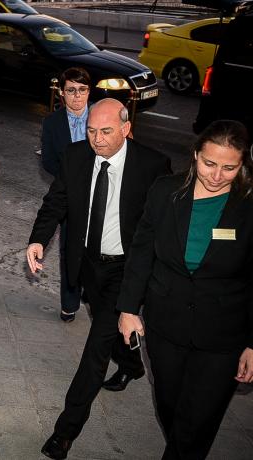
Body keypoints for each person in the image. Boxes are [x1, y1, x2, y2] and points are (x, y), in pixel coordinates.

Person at [26, 98, 171, 459]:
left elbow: (162, 228)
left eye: (106, 131)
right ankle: (133, 364)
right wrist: (38, 239)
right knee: (110, 331)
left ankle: (65, 431)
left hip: (127, 269)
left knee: (95, 349)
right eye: (91, 131)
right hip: (88, 264)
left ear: (126, 129)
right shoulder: (75, 156)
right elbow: (56, 202)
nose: (97, 139)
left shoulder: (153, 166)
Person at [117, 120, 253, 459]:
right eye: (209, 163)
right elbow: (141, 252)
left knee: (197, 421)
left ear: (242, 165)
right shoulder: (166, 191)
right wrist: (128, 308)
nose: (217, 175)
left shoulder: (249, 206)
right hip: (166, 325)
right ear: (195, 155)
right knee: (170, 407)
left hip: (224, 336)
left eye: (229, 168)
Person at [41, 67, 91, 323]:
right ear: (62, 93)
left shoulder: (101, 117)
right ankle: (69, 302)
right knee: (69, 248)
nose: (77, 95)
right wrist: (69, 178)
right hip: (69, 195)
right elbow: (48, 161)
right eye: (71, 90)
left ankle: (92, 291)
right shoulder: (52, 122)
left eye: (82, 90)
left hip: (101, 191)